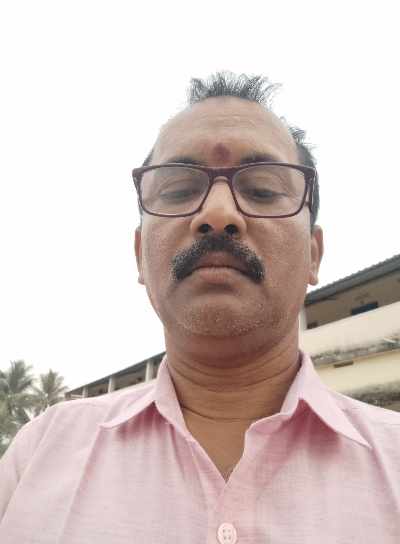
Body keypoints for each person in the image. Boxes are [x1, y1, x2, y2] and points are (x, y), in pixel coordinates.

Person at [1, 72, 399, 543]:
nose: (218, 214)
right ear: (140, 255)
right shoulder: (39, 454)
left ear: (314, 254)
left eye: (262, 190)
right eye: (178, 191)